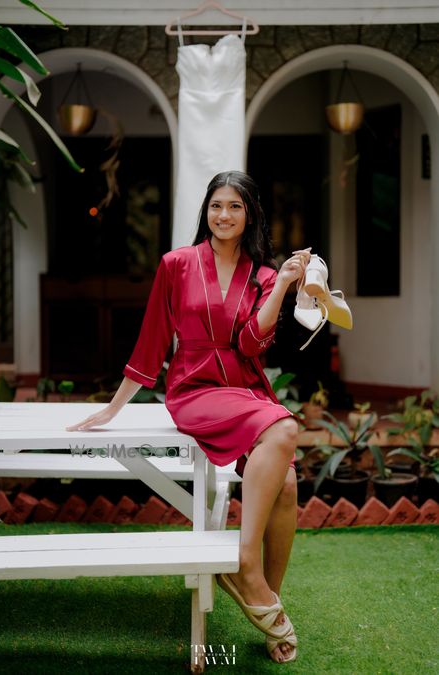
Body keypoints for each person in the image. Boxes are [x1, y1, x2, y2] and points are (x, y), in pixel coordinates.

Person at [67, 171, 311, 664]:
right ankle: (246, 563)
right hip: (195, 389)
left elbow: (251, 344)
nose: (224, 215)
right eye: (217, 205)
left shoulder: (264, 275)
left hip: (244, 389)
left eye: (235, 206)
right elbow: (153, 340)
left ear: (250, 216)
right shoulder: (176, 264)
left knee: (286, 484)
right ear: (206, 211)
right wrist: (114, 406)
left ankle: (265, 598)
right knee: (285, 427)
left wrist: (284, 283)